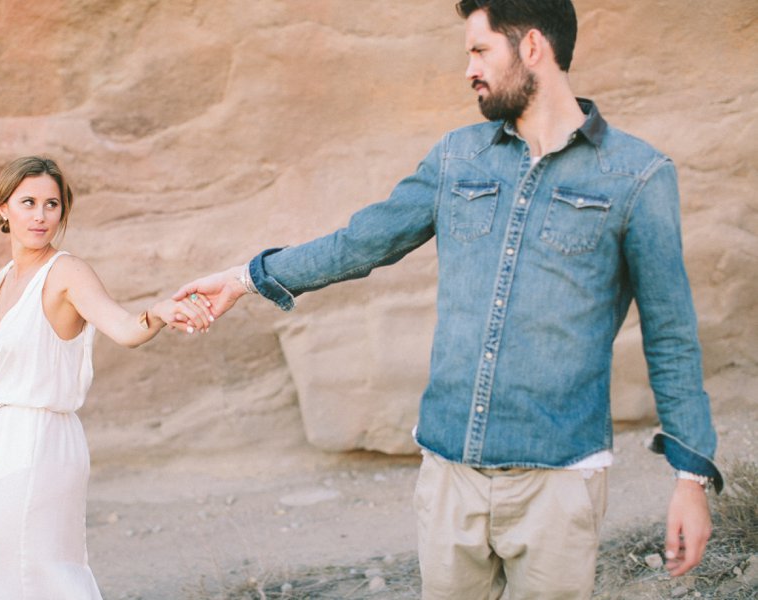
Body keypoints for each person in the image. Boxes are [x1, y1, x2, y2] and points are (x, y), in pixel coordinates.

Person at [173, 1, 723, 598]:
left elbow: (670, 333)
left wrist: (690, 478)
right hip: (449, 472)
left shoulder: (637, 175)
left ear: (532, 47)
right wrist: (246, 277)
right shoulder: (458, 157)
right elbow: (361, 242)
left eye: (480, 51)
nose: (469, 69)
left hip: (558, 481)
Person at [0, 156, 212, 599]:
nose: (41, 215)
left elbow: (124, 328)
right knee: (5, 578)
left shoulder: (66, 272)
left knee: (42, 576)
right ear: (4, 207)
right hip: (8, 445)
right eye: (28, 202)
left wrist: (159, 312)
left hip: (44, 440)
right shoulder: (0, 282)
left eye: (52, 204)